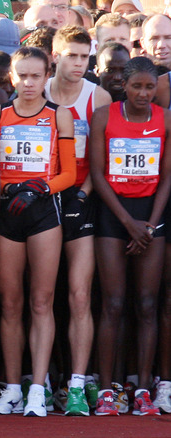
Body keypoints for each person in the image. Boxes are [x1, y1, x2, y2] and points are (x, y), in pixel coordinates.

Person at [0, 46, 76, 417]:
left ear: (47, 76)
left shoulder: (60, 116)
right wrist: (9, 188)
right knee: (9, 304)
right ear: (12, 77)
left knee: (41, 302)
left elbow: (69, 174)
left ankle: (38, 388)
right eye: (21, 76)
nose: (28, 83)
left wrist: (42, 187)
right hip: (8, 213)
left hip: (43, 214)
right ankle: (12, 389)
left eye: (35, 76)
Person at [90, 56, 171, 417]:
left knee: (148, 304)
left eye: (149, 87)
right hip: (113, 215)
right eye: (136, 86)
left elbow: (168, 178)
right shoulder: (105, 117)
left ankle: (143, 388)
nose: (143, 93)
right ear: (123, 83)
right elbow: (98, 172)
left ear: (157, 89)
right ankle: (107, 389)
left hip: (151, 216)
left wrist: (150, 226)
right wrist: (127, 223)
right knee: (113, 303)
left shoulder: (165, 119)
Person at [44, 25, 112, 416]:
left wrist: (82, 194)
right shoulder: (38, 89)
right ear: (55, 54)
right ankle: (44, 379)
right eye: (71, 55)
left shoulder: (97, 96)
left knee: (79, 295)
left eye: (85, 57)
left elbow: (99, 161)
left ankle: (77, 383)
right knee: (43, 297)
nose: (78, 64)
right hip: (43, 197)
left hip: (81, 196)